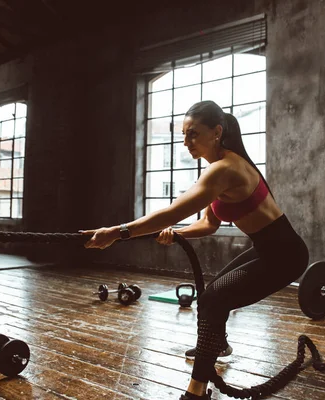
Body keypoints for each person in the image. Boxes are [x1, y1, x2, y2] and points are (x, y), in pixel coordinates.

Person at [80, 100, 309, 400]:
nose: (186, 142)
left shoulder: (226, 168)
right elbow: (209, 224)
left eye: (193, 134)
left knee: (214, 299)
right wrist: (176, 234)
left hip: (286, 256)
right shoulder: (217, 167)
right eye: (184, 134)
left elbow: (172, 212)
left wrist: (117, 233)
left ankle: (196, 392)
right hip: (267, 249)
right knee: (213, 295)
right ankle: (217, 345)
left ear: (216, 132)